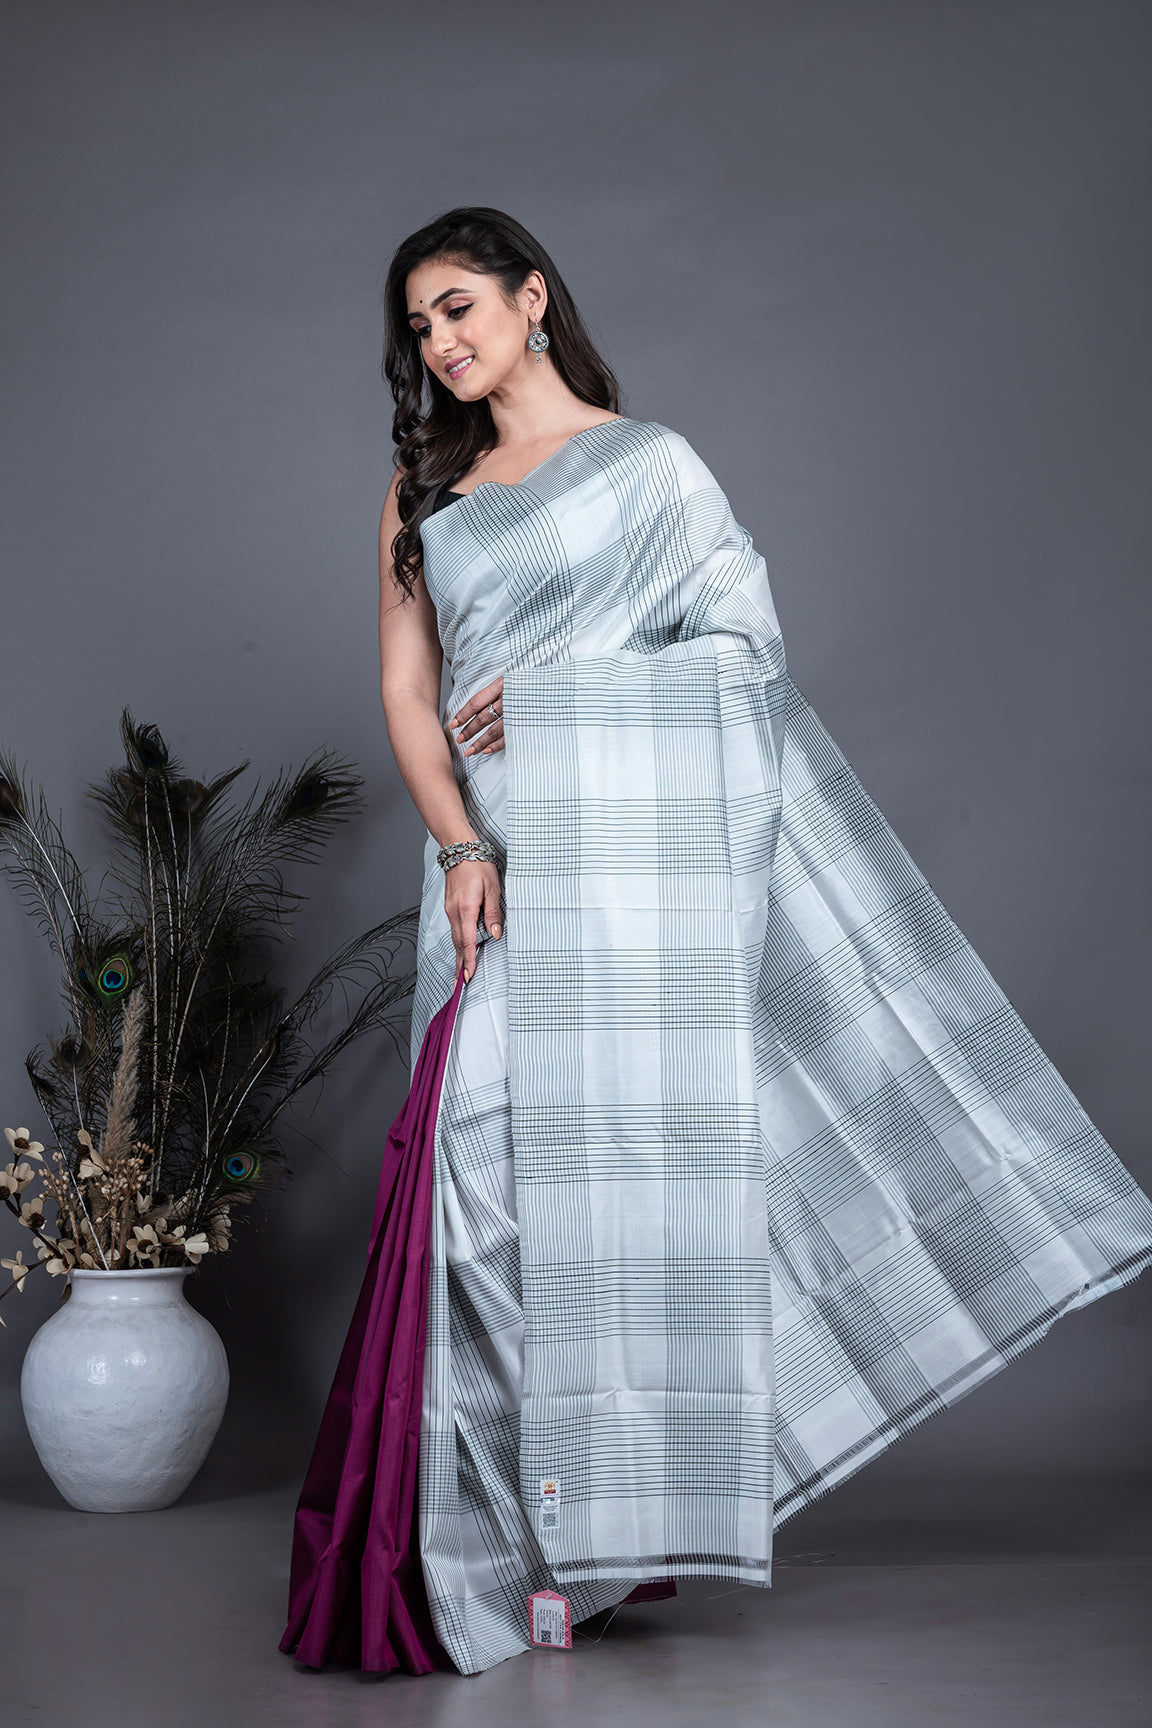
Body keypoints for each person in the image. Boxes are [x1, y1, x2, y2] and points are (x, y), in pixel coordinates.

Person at [281, 205, 1152, 1679]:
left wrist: (558, 698)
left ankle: (585, 1549)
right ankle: (484, 1548)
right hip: (498, 879)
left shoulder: (654, 469)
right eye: (417, 327)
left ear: (531, 296)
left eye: (456, 307)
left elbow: (746, 668)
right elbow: (407, 696)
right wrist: (464, 847)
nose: (438, 343)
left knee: (607, 1207)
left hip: (633, 894)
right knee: (483, 1195)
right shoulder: (423, 493)